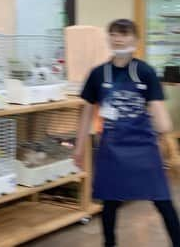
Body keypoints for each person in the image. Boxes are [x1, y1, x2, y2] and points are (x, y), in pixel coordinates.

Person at [74, 18, 180, 247]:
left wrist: (165, 135)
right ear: (108, 39)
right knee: (109, 202)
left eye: (124, 34)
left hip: (144, 148)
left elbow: (162, 120)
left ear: (135, 39)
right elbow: (86, 114)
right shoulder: (98, 74)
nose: (118, 38)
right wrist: (79, 147)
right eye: (113, 34)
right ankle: (109, 244)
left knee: (162, 200)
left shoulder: (146, 72)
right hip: (112, 149)